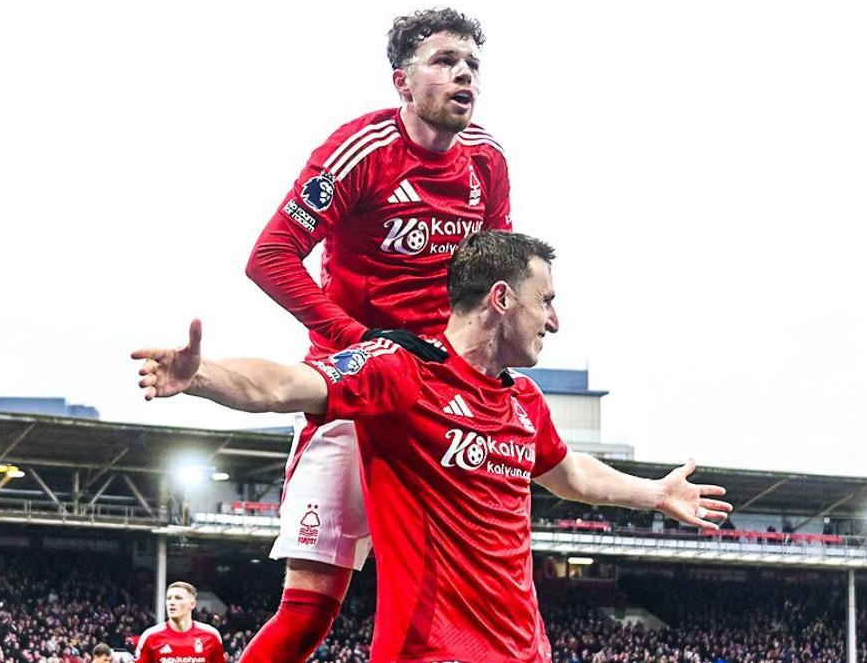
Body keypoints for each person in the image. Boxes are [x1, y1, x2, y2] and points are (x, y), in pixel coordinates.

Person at [133, 231, 732, 661]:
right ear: (501, 299)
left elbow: (571, 473)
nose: (555, 322)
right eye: (546, 301)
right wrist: (201, 376)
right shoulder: (404, 371)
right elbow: (289, 384)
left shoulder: (523, 400)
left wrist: (655, 494)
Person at [234, 6, 507, 663]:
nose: (463, 73)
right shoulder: (359, 151)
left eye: (472, 63)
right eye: (445, 61)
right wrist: (363, 341)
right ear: (402, 82)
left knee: (464, 606)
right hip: (356, 387)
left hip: (442, 401)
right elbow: (269, 257)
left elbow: (495, 278)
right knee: (307, 613)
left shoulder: (489, 162)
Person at [133, 582, 225, 663]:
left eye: (178, 598)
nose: (171, 602)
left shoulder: (211, 635)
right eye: (169, 598)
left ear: (192, 604)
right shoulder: (150, 636)